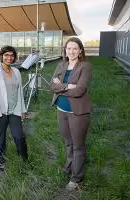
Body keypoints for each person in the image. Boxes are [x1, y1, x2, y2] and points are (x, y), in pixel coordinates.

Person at [50, 37, 92, 190]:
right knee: (68, 142)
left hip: (78, 113)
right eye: (69, 48)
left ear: (80, 51)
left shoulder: (85, 67)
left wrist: (61, 86)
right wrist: (69, 86)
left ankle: (76, 177)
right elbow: (51, 86)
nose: (71, 51)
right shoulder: (61, 65)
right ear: (65, 50)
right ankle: (69, 166)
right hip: (61, 110)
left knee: (78, 145)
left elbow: (80, 90)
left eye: (75, 48)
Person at [0, 45, 28, 171]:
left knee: (19, 135)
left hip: (15, 110)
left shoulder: (17, 72)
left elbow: (20, 92)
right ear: (1, 57)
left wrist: (23, 110)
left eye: (11, 55)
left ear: (14, 57)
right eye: (6, 55)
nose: (9, 58)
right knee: (0, 137)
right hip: (0, 111)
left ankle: (24, 158)